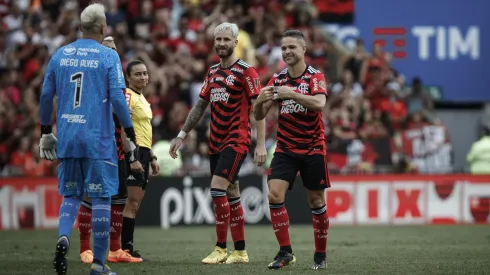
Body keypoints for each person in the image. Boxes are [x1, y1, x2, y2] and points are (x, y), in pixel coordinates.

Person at [39, 3, 141, 275]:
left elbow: (46, 95)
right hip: (99, 140)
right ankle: (98, 263)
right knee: (101, 199)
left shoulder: (60, 55)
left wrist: (46, 132)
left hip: (68, 137)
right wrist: (130, 134)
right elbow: (119, 100)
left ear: (81, 26)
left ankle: (64, 236)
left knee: (71, 194)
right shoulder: (108, 57)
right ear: (103, 28)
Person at [169, 22, 267, 264]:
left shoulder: (247, 71)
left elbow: (259, 109)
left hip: (237, 140)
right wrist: (181, 135)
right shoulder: (212, 72)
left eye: (226, 39)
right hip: (216, 141)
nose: (222, 43)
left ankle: (221, 248)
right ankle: (241, 252)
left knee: (216, 189)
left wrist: (261, 144)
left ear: (235, 42)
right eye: (218, 39)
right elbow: (200, 106)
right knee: (232, 191)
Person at [253, 30, 330, 270]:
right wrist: (259, 101)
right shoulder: (277, 79)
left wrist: (291, 94)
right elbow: (258, 115)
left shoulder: (315, 76)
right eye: (284, 47)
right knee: (274, 195)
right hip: (285, 147)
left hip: (313, 146)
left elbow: (319, 104)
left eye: (291, 47)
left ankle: (320, 255)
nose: (287, 51)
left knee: (316, 201)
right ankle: (285, 252)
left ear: (303, 50)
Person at [77, 36, 144, 264]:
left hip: (117, 151)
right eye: (108, 49)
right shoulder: (89, 84)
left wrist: (132, 155)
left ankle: (115, 250)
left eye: (115, 49)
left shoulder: (120, 88)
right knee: (90, 196)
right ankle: (85, 247)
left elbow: (125, 127)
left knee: (119, 199)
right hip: (94, 149)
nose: (112, 52)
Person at [120, 59, 161, 260]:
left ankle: (126, 248)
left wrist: (151, 156)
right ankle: (124, 249)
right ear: (127, 77)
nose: (143, 77)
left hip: (144, 152)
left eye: (145, 73)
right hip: (133, 152)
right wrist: (132, 156)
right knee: (130, 203)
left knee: (134, 204)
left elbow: (144, 130)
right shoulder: (127, 95)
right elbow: (123, 127)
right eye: (137, 74)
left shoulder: (141, 97)